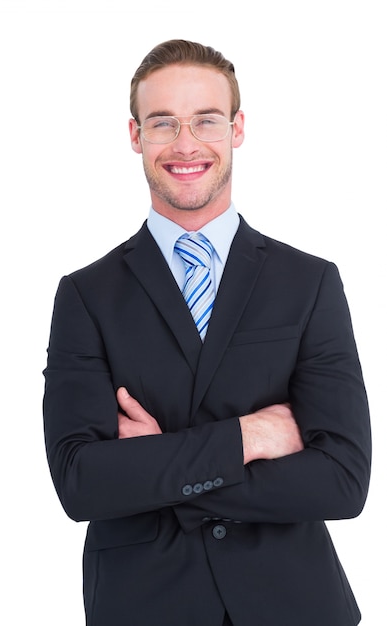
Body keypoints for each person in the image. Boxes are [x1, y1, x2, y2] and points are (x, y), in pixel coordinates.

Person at [43, 39, 371, 626]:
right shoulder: (86, 295)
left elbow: (343, 480)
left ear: (237, 128)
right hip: (144, 605)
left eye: (206, 121)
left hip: (294, 603)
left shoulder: (309, 282)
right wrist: (248, 436)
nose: (185, 144)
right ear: (135, 134)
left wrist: (157, 466)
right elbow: (81, 484)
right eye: (163, 122)